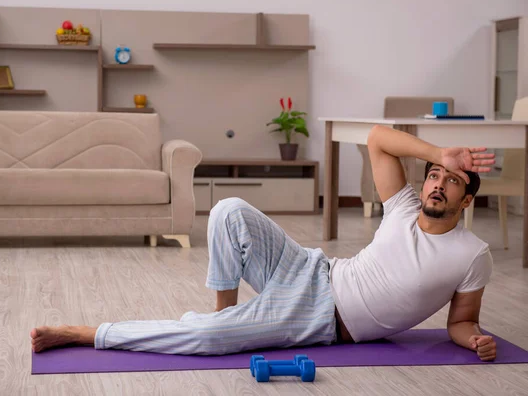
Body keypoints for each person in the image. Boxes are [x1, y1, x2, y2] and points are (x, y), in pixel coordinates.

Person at [31, 124, 497, 362]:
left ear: (467, 198)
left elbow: (462, 320)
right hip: (313, 271)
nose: (437, 184)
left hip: (319, 319)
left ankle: (85, 333)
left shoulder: (471, 254)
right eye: (434, 175)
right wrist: (439, 152)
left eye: (451, 181)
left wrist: (473, 339)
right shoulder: (401, 206)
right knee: (227, 209)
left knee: (205, 340)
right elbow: (377, 138)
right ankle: (227, 312)